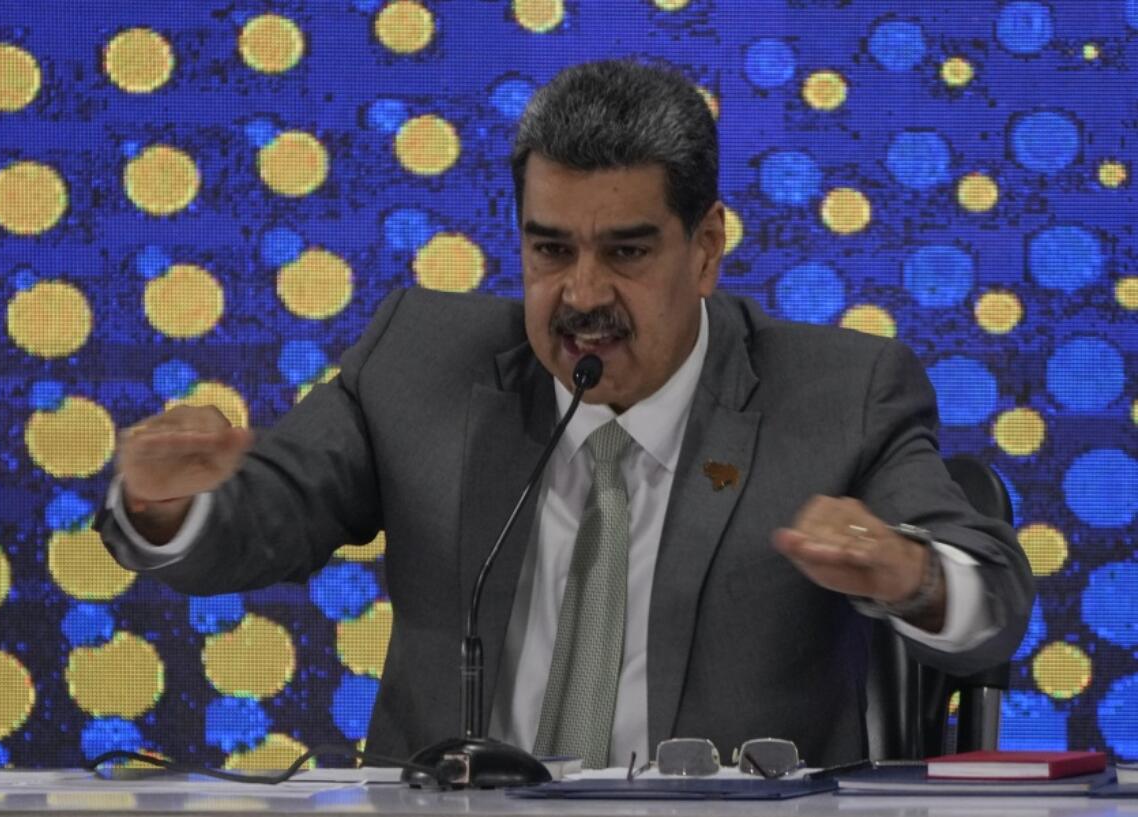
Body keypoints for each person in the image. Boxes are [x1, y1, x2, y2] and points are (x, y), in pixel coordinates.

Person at [95, 59, 1034, 769]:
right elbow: (269, 512)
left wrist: (910, 571)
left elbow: (991, 599)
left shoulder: (837, 395)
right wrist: (169, 509)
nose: (582, 293)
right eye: (550, 249)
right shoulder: (419, 361)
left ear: (705, 250)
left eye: (627, 253)